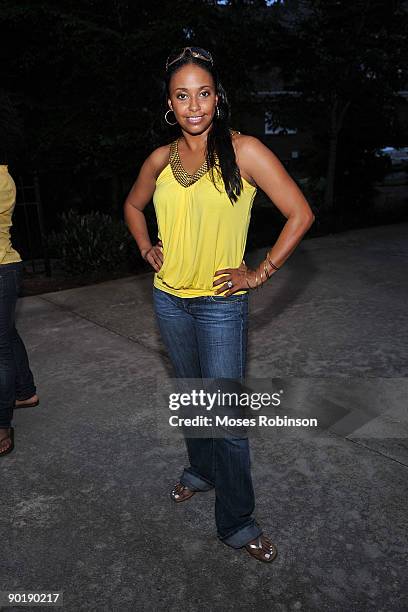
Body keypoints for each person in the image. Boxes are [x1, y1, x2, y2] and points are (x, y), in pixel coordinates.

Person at [124, 46, 315, 563]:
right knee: (192, 400)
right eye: (182, 95)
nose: (194, 106)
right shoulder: (160, 159)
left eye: (203, 94)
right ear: (169, 102)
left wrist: (260, 272)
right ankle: (199, 472)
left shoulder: (244, 150)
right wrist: (147, 247)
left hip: (219, 306)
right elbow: (133, 205)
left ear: (218, 97)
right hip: (169, 302)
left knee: (227, 421)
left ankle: (236, 521)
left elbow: (300, 213)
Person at [0, 163, 39, 457]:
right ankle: (25, 392)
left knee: (0, 346)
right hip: (4, 268)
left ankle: (2, 426)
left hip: (1, 268)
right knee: (6, 335)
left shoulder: (1, 178)